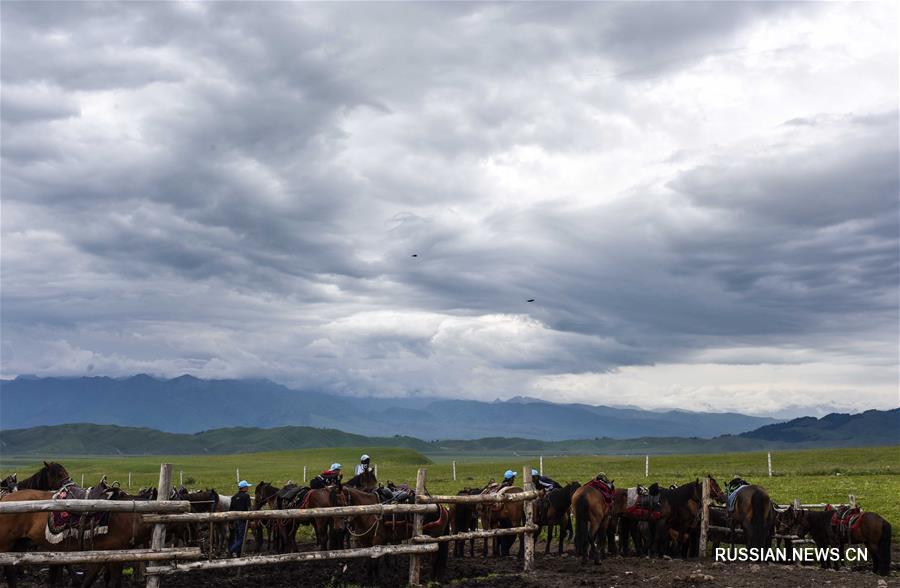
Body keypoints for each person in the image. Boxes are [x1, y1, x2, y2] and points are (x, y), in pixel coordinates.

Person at [228, 480, 252, 557]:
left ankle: (238, 554)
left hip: (235, 520)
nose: (248, 487)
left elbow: (231, 510)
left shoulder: (234, 497)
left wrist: (230, 522)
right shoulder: (246, 496)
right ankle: (231, 550)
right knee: (241, 538)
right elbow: (249, 508)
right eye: (247, 486)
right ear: (244, 487)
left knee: (237, 537)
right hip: (243, 520)